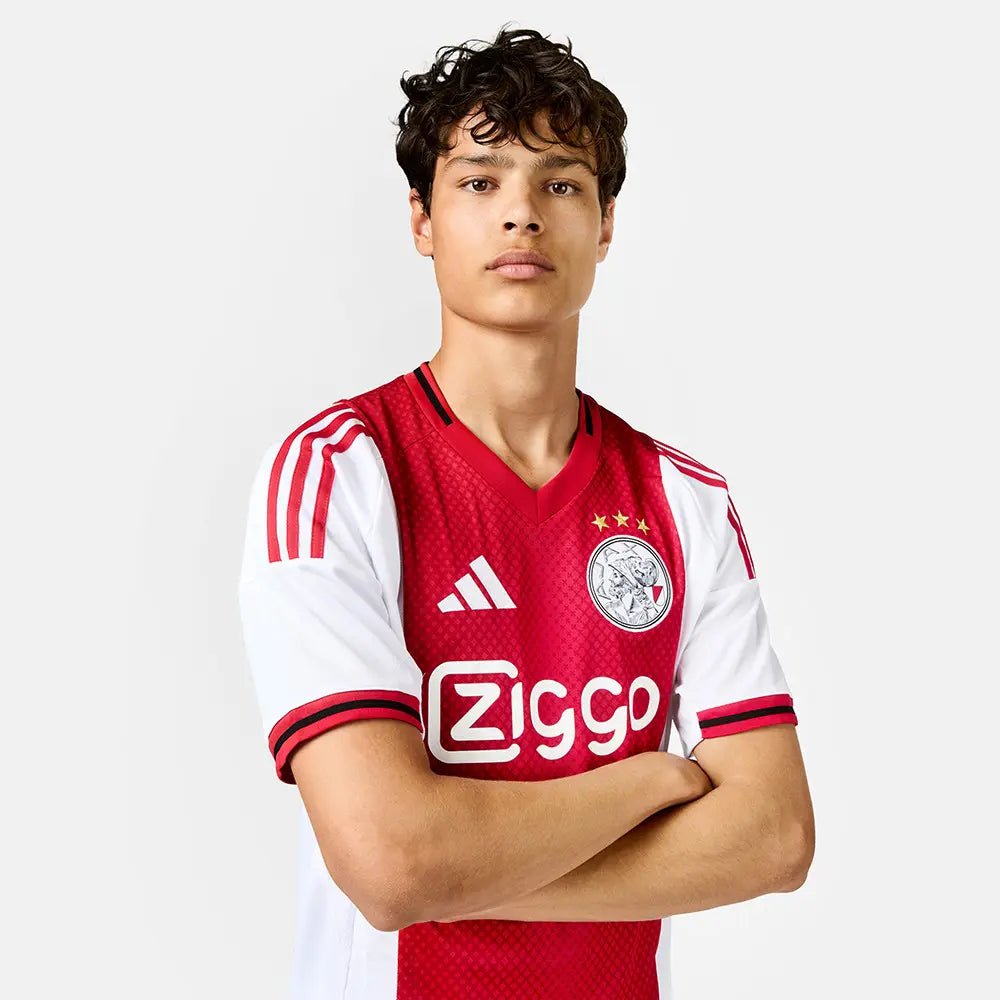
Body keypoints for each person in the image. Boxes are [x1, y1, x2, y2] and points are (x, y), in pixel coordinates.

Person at [238, 24, 814, 1000]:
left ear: (605, 223)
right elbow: (391, 864)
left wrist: (463, 865)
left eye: (561, 184)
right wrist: (655, 778)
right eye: (479, 181)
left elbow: (775, 835)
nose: (521, 215)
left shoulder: (684, 500)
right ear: (421, 220)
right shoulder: (337, 475)